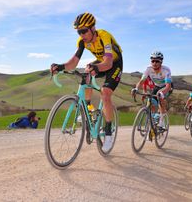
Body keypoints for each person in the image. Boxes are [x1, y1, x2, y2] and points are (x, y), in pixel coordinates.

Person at [50, 12, 123, 152]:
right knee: (86, 73)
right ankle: (88, 110)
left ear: (93, 28)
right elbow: (73, 63)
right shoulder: (82, 42)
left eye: (84, 31)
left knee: (105, 93)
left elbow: (107, 63)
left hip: (115, 63)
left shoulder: (104, 36)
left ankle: (108, 132)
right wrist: (59, 67)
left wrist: (96, 67)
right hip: (103, 61)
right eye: (79, 32)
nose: (81, 34)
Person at [131, 51, 172, 129]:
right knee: (151, 101)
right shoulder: (148, 69)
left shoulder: (166, 70)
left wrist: (162, 93)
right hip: (157, 86)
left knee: (160, 99)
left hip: (166, 87)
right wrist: (136, 88)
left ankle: (162, 120)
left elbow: (168, 86)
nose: (154, 63)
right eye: (152, 61)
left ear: (161, 62)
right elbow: (142, 81)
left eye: (157, 61)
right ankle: (153, 118)